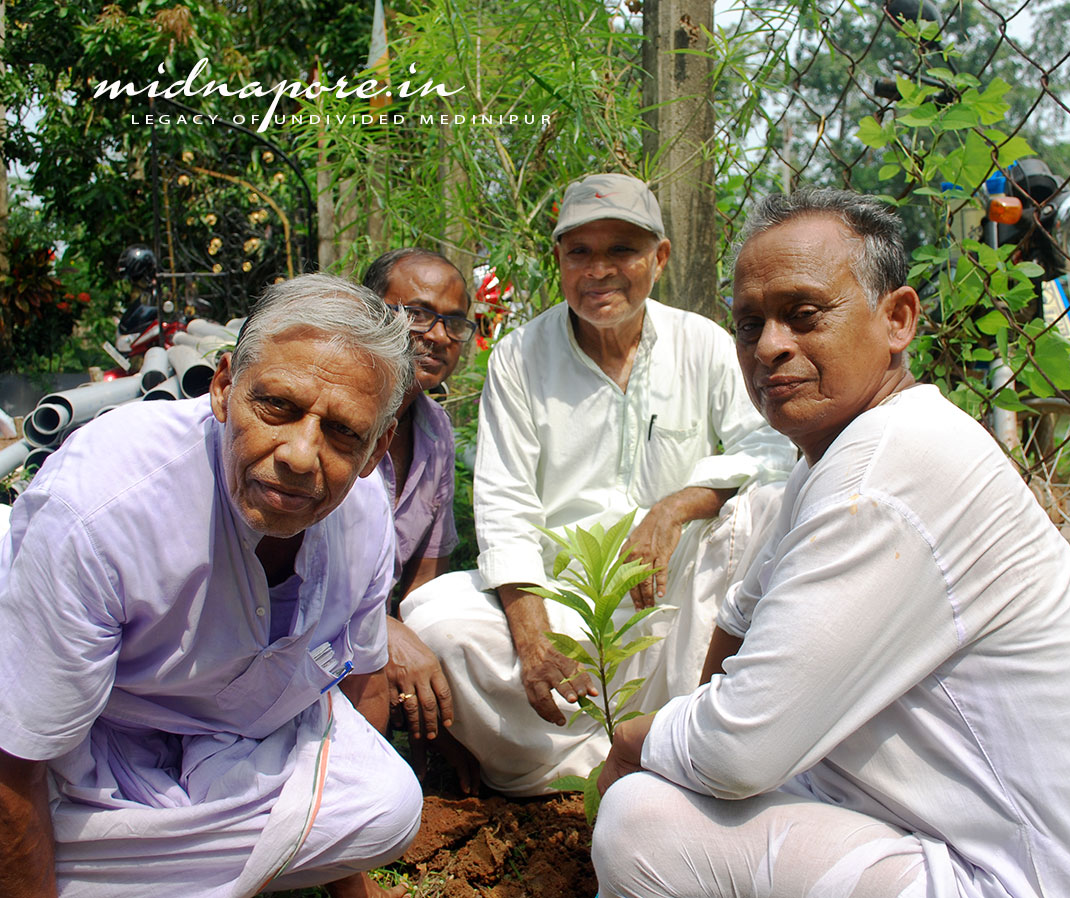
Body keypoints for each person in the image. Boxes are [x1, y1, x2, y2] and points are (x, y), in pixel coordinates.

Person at [592, 189, 1070, 898]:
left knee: (642, 822)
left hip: (1018, 875)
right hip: (947, 833)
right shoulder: (838, 455)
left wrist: (636, 742)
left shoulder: (884, 469)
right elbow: (735, 627)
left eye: (804, 314)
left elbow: (737, 749)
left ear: (898, 319)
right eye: (749, 323)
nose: (769, 347)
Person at [0, 274, 424, 898]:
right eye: (277, 406)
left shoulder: (362, 516)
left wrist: (345, 880)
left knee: (385, 806)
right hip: (85, 744)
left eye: (342, 432)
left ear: (377, 447)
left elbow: (361, 688)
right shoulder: (101, 507)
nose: (301, 456)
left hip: (230, 751)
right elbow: (18, 758)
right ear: (223, 387)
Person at [401, 173, 796, 796]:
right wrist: (533, 643)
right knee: (435, 622)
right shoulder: (520, 357)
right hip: (566, 600)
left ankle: (693, 737)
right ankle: (592, 763)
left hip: (675, 596)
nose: (599, 270)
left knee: (768, 509)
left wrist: (674, 509)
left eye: (622, 251)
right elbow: (504, 504)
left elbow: (770, 447)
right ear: (557, 261)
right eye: (580, 251)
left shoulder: (702, 343)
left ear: (659, 259)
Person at [360, 249, 476, 786]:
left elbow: (426, 580)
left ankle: (436, 790)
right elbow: (293, 573)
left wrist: (416, 637)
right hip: (306, 626)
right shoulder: (339, 412)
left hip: (379, 626)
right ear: (368, 310)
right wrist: (383, 633)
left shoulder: (434, 432)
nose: (437, 335)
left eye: (453, 322)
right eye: (417, 314)